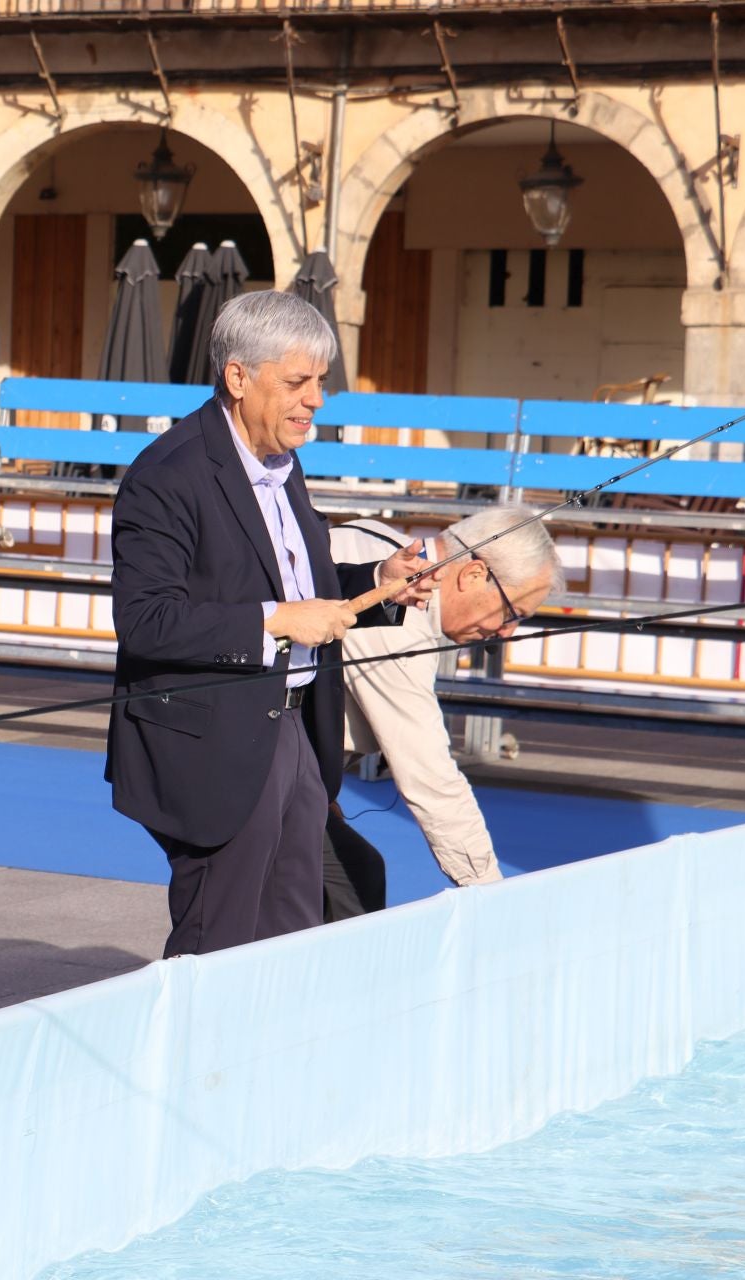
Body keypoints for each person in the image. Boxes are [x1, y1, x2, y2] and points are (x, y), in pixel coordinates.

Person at [106, 289, 431, 958]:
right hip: (214, 742)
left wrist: (378, 584)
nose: (315, 400)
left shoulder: (285, 465)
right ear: (238, 378)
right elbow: (146, 621)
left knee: (291, 938)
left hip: (294, 731)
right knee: (217, 943)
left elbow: (302, 593)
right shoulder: (167, 475)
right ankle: (189, 1064)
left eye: (320, 383)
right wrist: (277, 621)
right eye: (298, 382)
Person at [319, 506, 564, 916]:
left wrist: (321, 794)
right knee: (347, 885)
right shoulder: (401, 623)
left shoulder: (375, 537)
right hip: (232, 770)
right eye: (512, 614)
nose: (506, 633)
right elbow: (430, 777)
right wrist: (490, 892)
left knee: (353, 874)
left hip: (249, 759)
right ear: (473, 575)